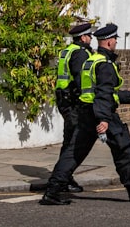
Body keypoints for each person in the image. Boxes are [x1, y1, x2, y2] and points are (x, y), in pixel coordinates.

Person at [42, 24, 130, 205]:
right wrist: (103, 119)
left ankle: (52, 192)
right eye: (115, 40)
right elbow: (103, 94)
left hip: (85, 111)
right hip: (101, 113)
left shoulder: (91, 61)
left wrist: (129, 97)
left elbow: (96, 90)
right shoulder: (105, 64)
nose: (116, 42)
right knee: (123, 148)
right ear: (110, 42)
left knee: (73, 153)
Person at [52, 22, 95, 194]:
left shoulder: (67, 50)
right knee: (74, 143)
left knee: (70, 139)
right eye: (89, 36)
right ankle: (62, 179)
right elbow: (80, 79)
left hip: (64, 100)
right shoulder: (80, 53)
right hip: (73, 102)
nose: (91, 38)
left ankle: (62, 177)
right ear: (83, 37)